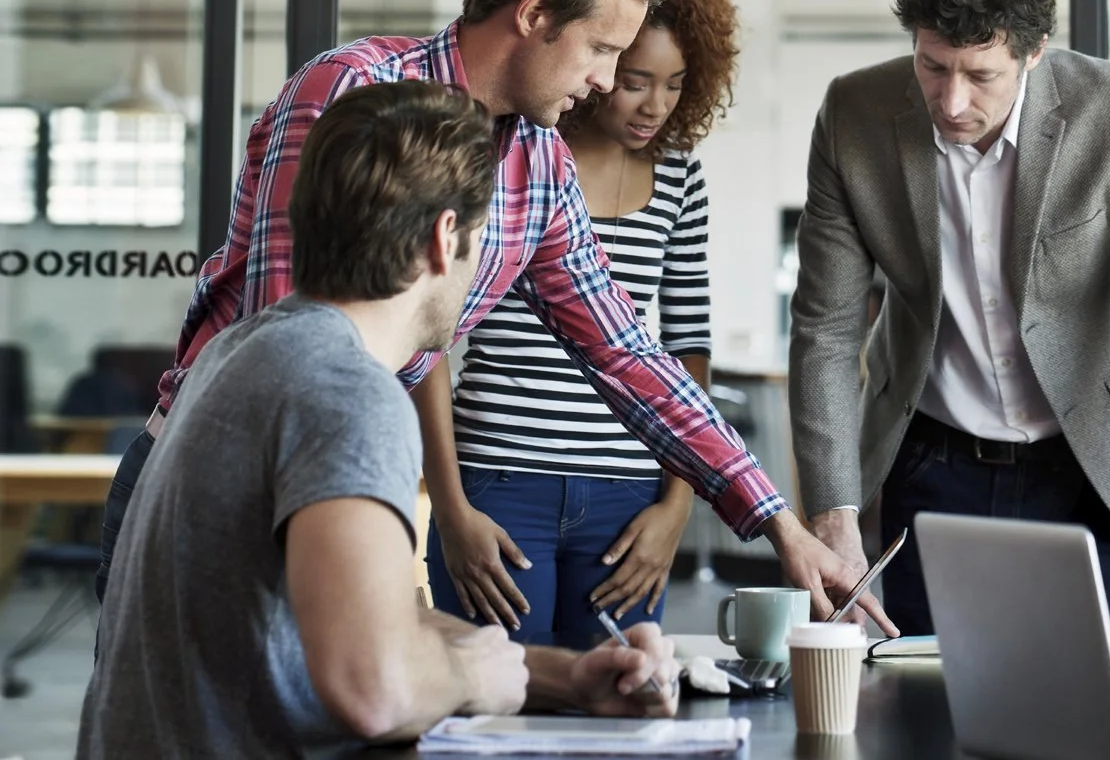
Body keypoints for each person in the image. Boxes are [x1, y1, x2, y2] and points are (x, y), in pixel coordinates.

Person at [93, 0, 889, 634]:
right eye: (602, 48)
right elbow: (289, 346)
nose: (608, 81)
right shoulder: (352, 93)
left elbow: (625, 352)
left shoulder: (538, 162)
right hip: (213, 483)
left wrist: (777, 520)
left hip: (340, 491)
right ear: (537, 13)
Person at [79, 83, 681, 759]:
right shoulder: (348, 393)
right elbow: (372, 688)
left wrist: (564, 675)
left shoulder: (246, 351)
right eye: (483, 238)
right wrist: (475, 675)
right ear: (443, 236)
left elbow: (358, 618)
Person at [788, 0, 1110, 651]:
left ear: (1034, 52)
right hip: (933, 466)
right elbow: (825, 328)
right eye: (933, 66)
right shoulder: (854, 115)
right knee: (927, 712)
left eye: (981, 74)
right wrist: (832, 512)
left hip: (1097, 468)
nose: (953, 99)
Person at [425, 0, 737, 645]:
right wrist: (448, 505)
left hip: (629, 499)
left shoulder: (681, 179)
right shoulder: (515, 155)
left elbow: (684, 346)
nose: (654, 104)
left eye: (676, 82)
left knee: (621, 705)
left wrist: (676, 507)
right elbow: (429, 336)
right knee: (494, 705)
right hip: (500, 481)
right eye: (633, 77)